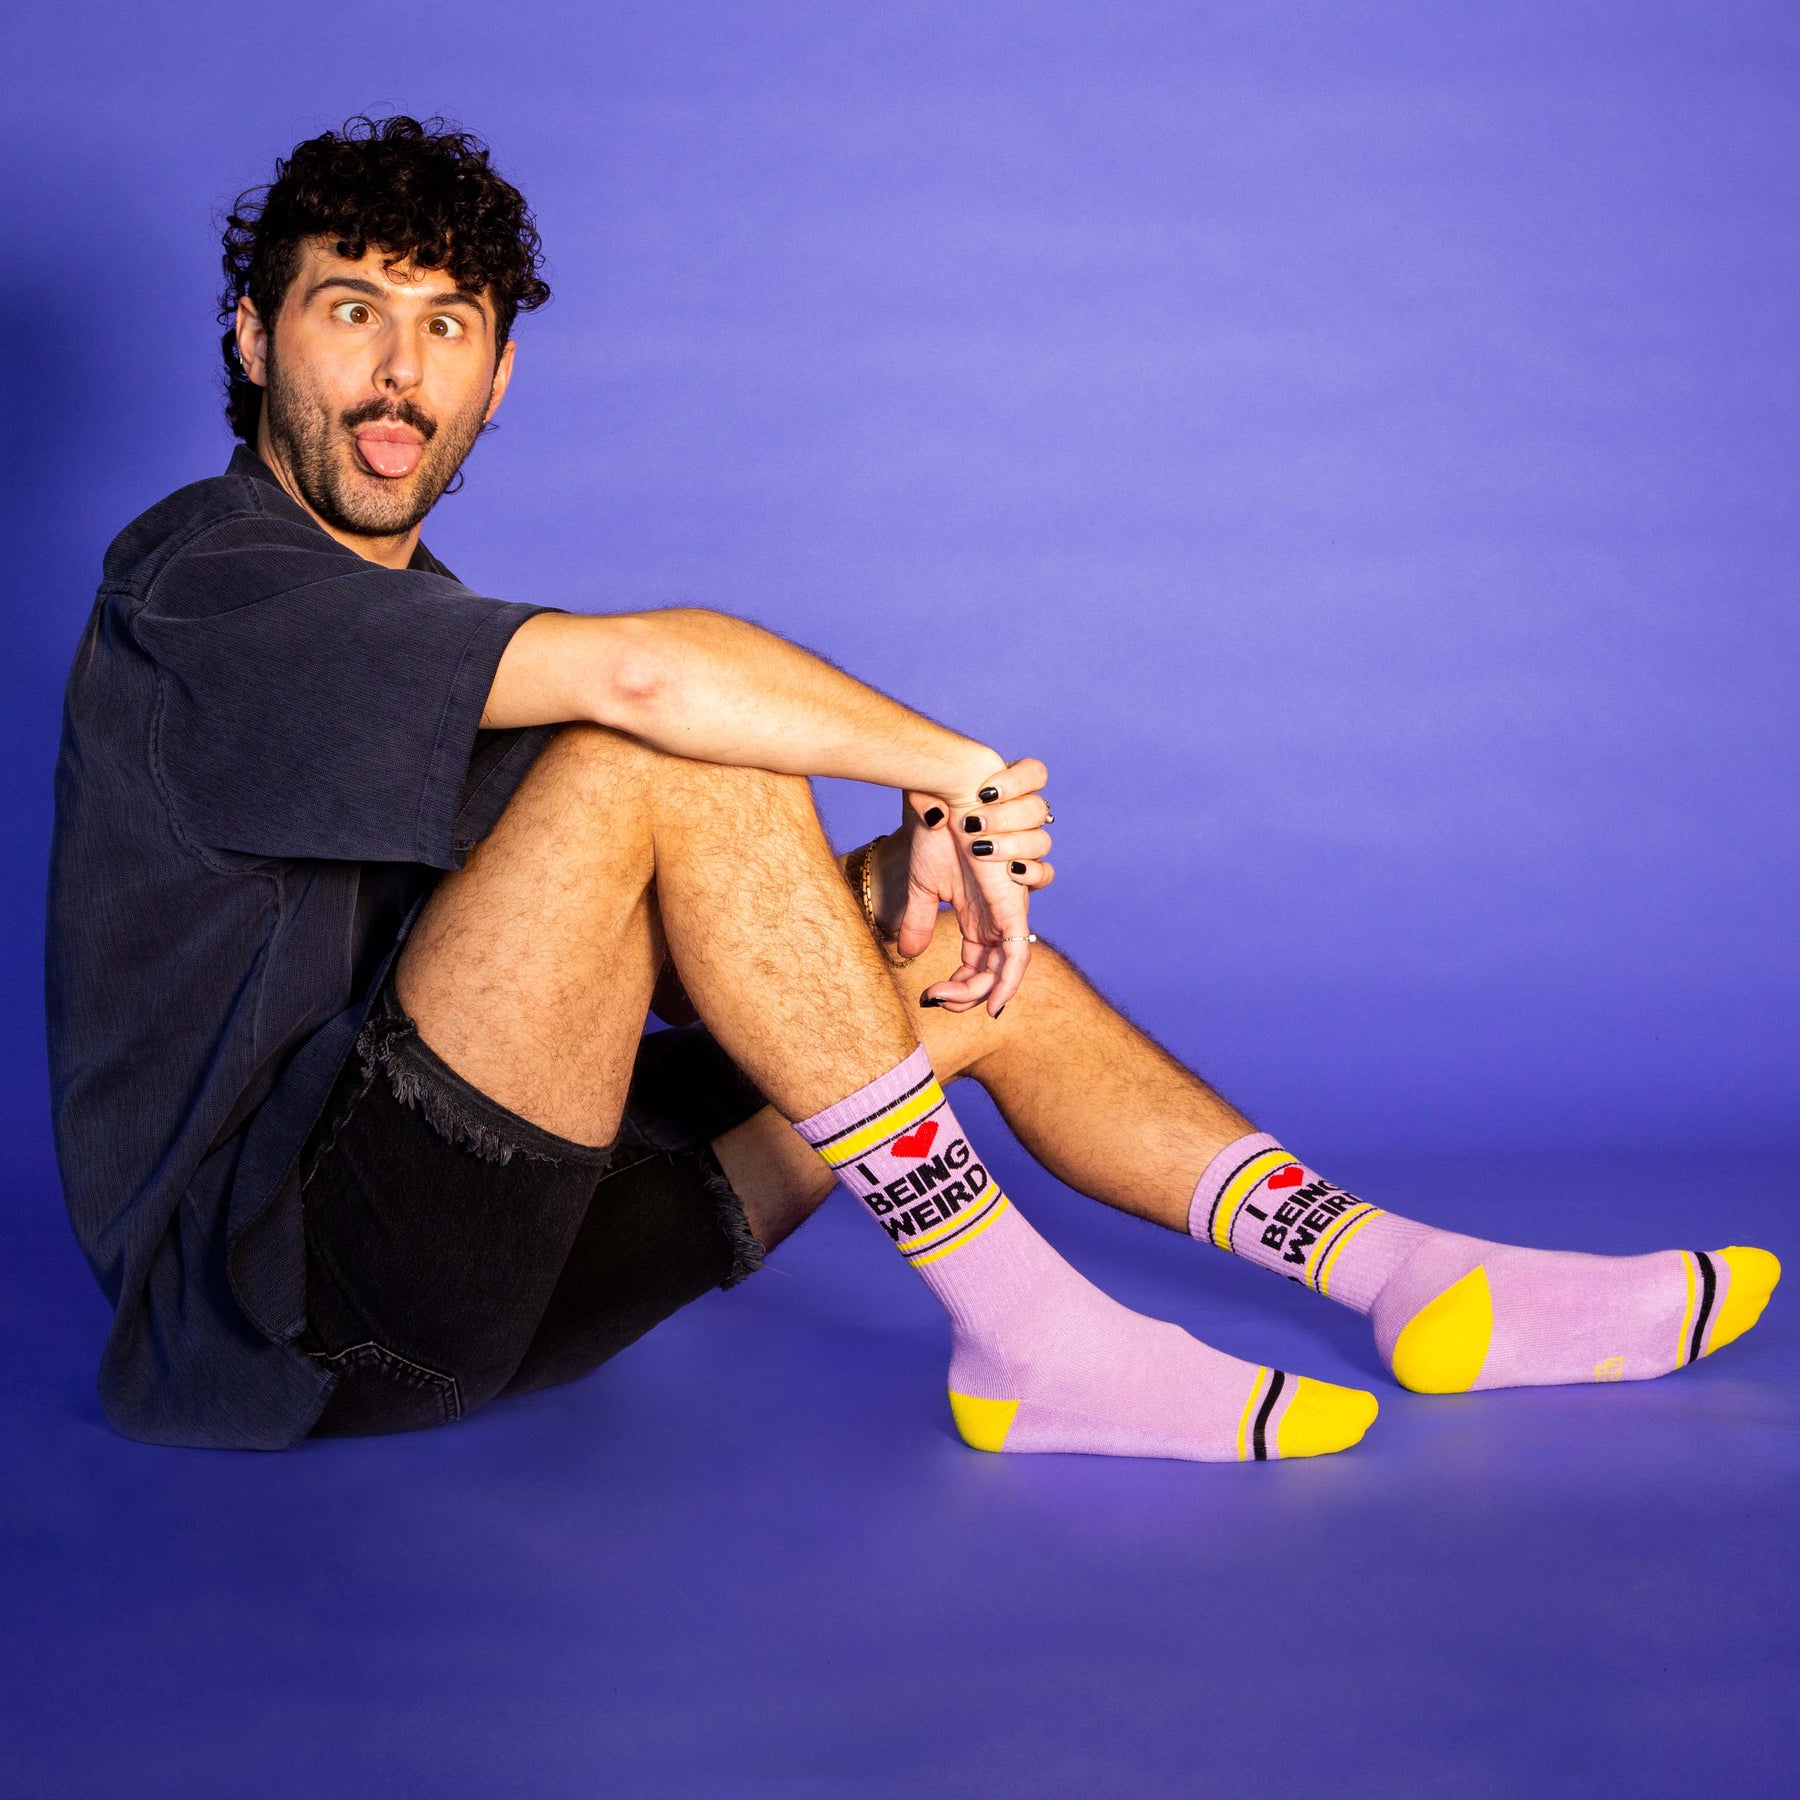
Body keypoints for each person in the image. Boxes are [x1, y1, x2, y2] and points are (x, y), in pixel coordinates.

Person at [47, 115, 1779, 1455]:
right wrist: (960, 771)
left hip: (525, 1275)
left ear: (498, 380)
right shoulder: (204, 583)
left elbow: (622, 952)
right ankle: (1031, 1333)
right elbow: (649, 687)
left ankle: (1400, 1269)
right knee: (671, 750)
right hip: (285, 1314)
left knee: (947, 955)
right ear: (256, 339)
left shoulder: (420, 628)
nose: (399, 371)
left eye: (447, 326)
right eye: (351, 311)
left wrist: (890, 888)